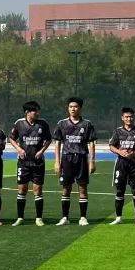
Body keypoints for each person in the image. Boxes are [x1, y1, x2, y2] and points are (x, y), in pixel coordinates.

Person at [53, 96, 97, 226]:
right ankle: (65, 218)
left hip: (82, 158)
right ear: (68, 108)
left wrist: (92, 161)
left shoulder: (87, 124)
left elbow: (91, 143)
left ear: (80, 108)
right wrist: (57, 161)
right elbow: (57, 143)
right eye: (71, 107)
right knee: (66, 188)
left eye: (76, 106)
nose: (73, 109)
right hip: (67, 158)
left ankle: (83, 217)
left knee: (82, 188)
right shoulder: (62, 124)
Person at [8, 101, 51, 226]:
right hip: (23, 163)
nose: (37, 113)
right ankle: (20, 217)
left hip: (38, 163)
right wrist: (19, 149)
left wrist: (42, 151)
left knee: (37, 190)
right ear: (27, 112)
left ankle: (39, 218)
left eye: (38, 111)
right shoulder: (19, 123)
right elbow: (11, 138)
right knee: (22, 189)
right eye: (35, 111)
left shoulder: (43, 124)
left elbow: (49, 139)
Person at [108, 107, 135, 226]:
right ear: (122, 118)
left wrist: (134, 153)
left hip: (134, 163)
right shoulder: (117, 131)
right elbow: (111, 146)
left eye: (131, 117)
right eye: (126, 117)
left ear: (134, 117)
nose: (129, 119)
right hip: (121, 163)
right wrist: (120, 152)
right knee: (119, 190)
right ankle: (118, 217)